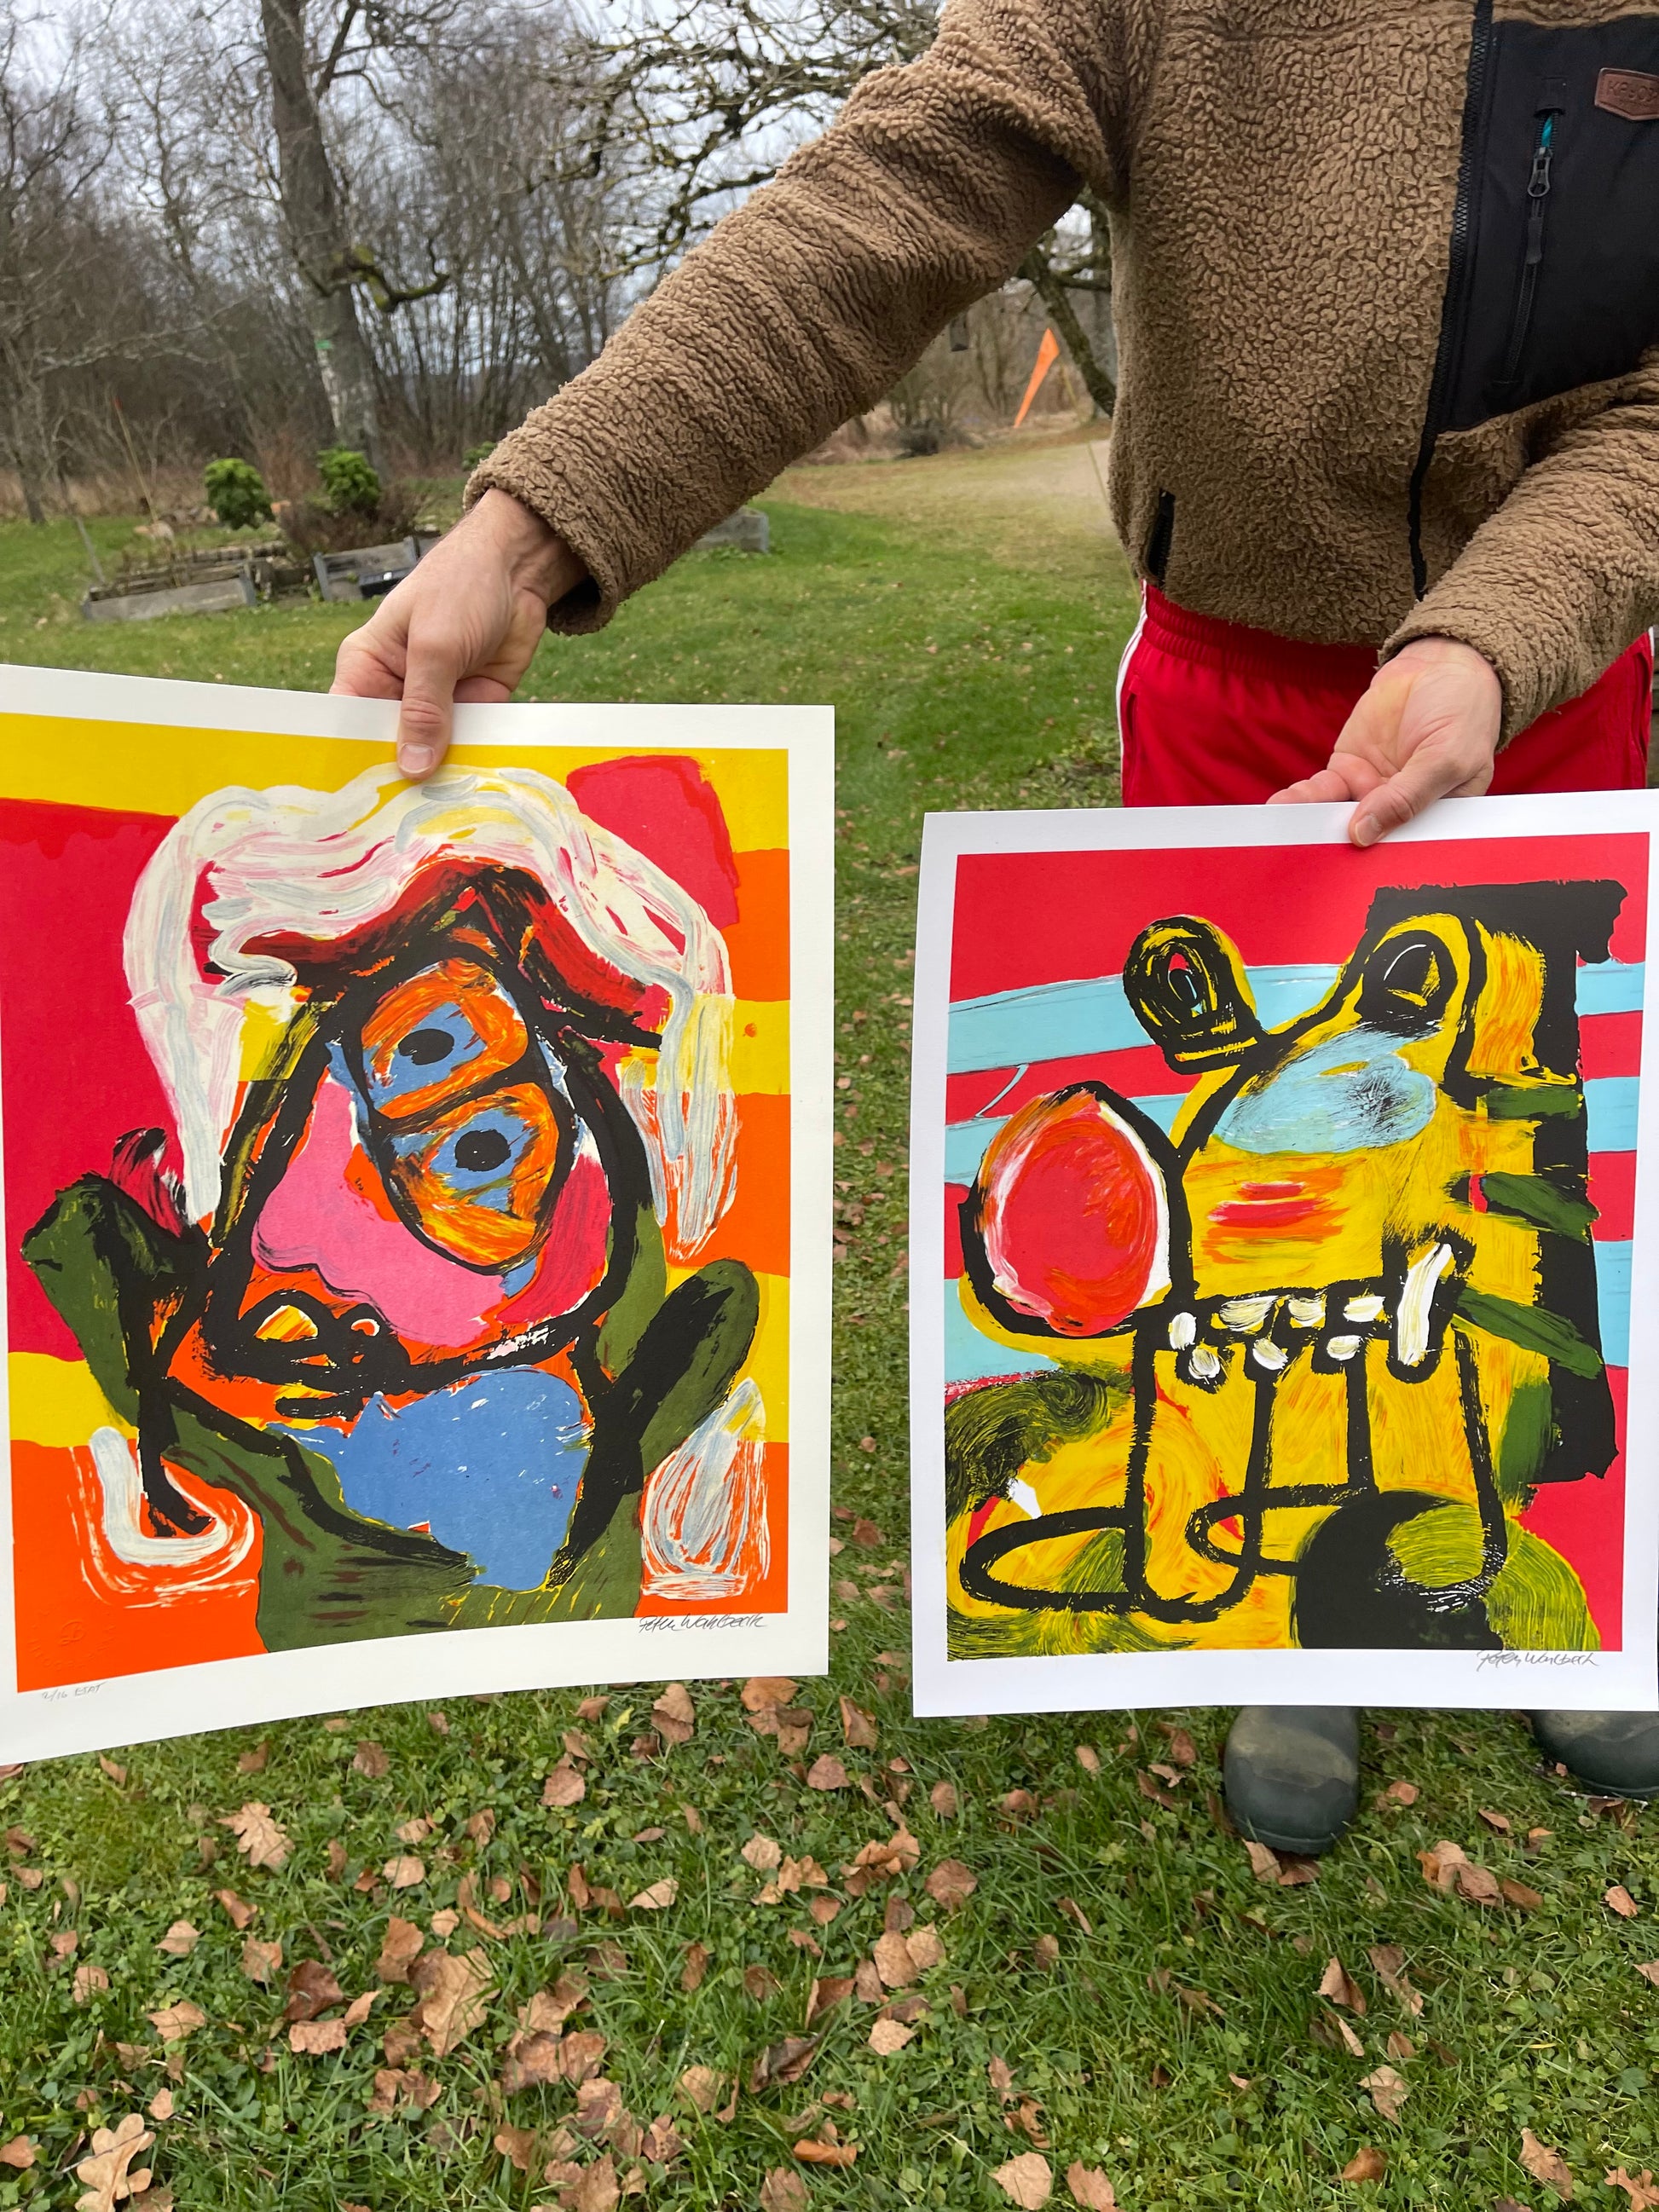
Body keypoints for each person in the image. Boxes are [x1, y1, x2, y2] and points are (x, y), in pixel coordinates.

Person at [334, 0, 1659, 1850]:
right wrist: (533, 524)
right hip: (1235, 708)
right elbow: (888, 195)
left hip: (1554, 697)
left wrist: (1495, 637)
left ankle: (1578, 1556)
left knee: (1532, 1176)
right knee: (1249, 1201)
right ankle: (1297, 1626)